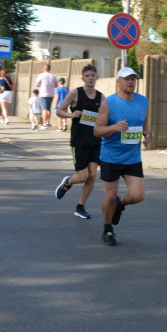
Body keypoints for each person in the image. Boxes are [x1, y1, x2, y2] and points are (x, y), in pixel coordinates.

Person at [93, 67, 150, 246]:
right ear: (118, 81)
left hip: (132, 157)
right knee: (110, 196)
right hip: (111, 157)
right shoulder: (108, 103)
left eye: (133, 79)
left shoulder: (143, 101)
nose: (130, 82)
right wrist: (114, 128)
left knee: (138, 196)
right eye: (126, 79)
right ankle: (107, 229)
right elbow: (97, 131)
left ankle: (120, 204)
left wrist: (147, 133)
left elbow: (144, 121)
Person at [54, 65, 104, 219]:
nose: (90, 78)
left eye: (93, 75)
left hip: (95, 140)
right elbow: (59, 110)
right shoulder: (75, 93)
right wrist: (71, 115)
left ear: (96, 78)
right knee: (82, 176)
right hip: (79, 140)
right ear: (83, 78)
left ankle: (80, 207)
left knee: (92, 176)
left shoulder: (101, 97)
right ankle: (68, 182)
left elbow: (107, 115)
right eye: (87, 75)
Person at [35, 63, 58, 129]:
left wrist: (41, 85)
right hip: (51, 94)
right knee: (48, 108)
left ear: (44, 69)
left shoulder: (41, 75)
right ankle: (47, 122)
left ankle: (44, 123)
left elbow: (36, 84)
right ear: (49, 69)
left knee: (44, 109)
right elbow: (56, 85)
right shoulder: (53, 76)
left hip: (43, 94)